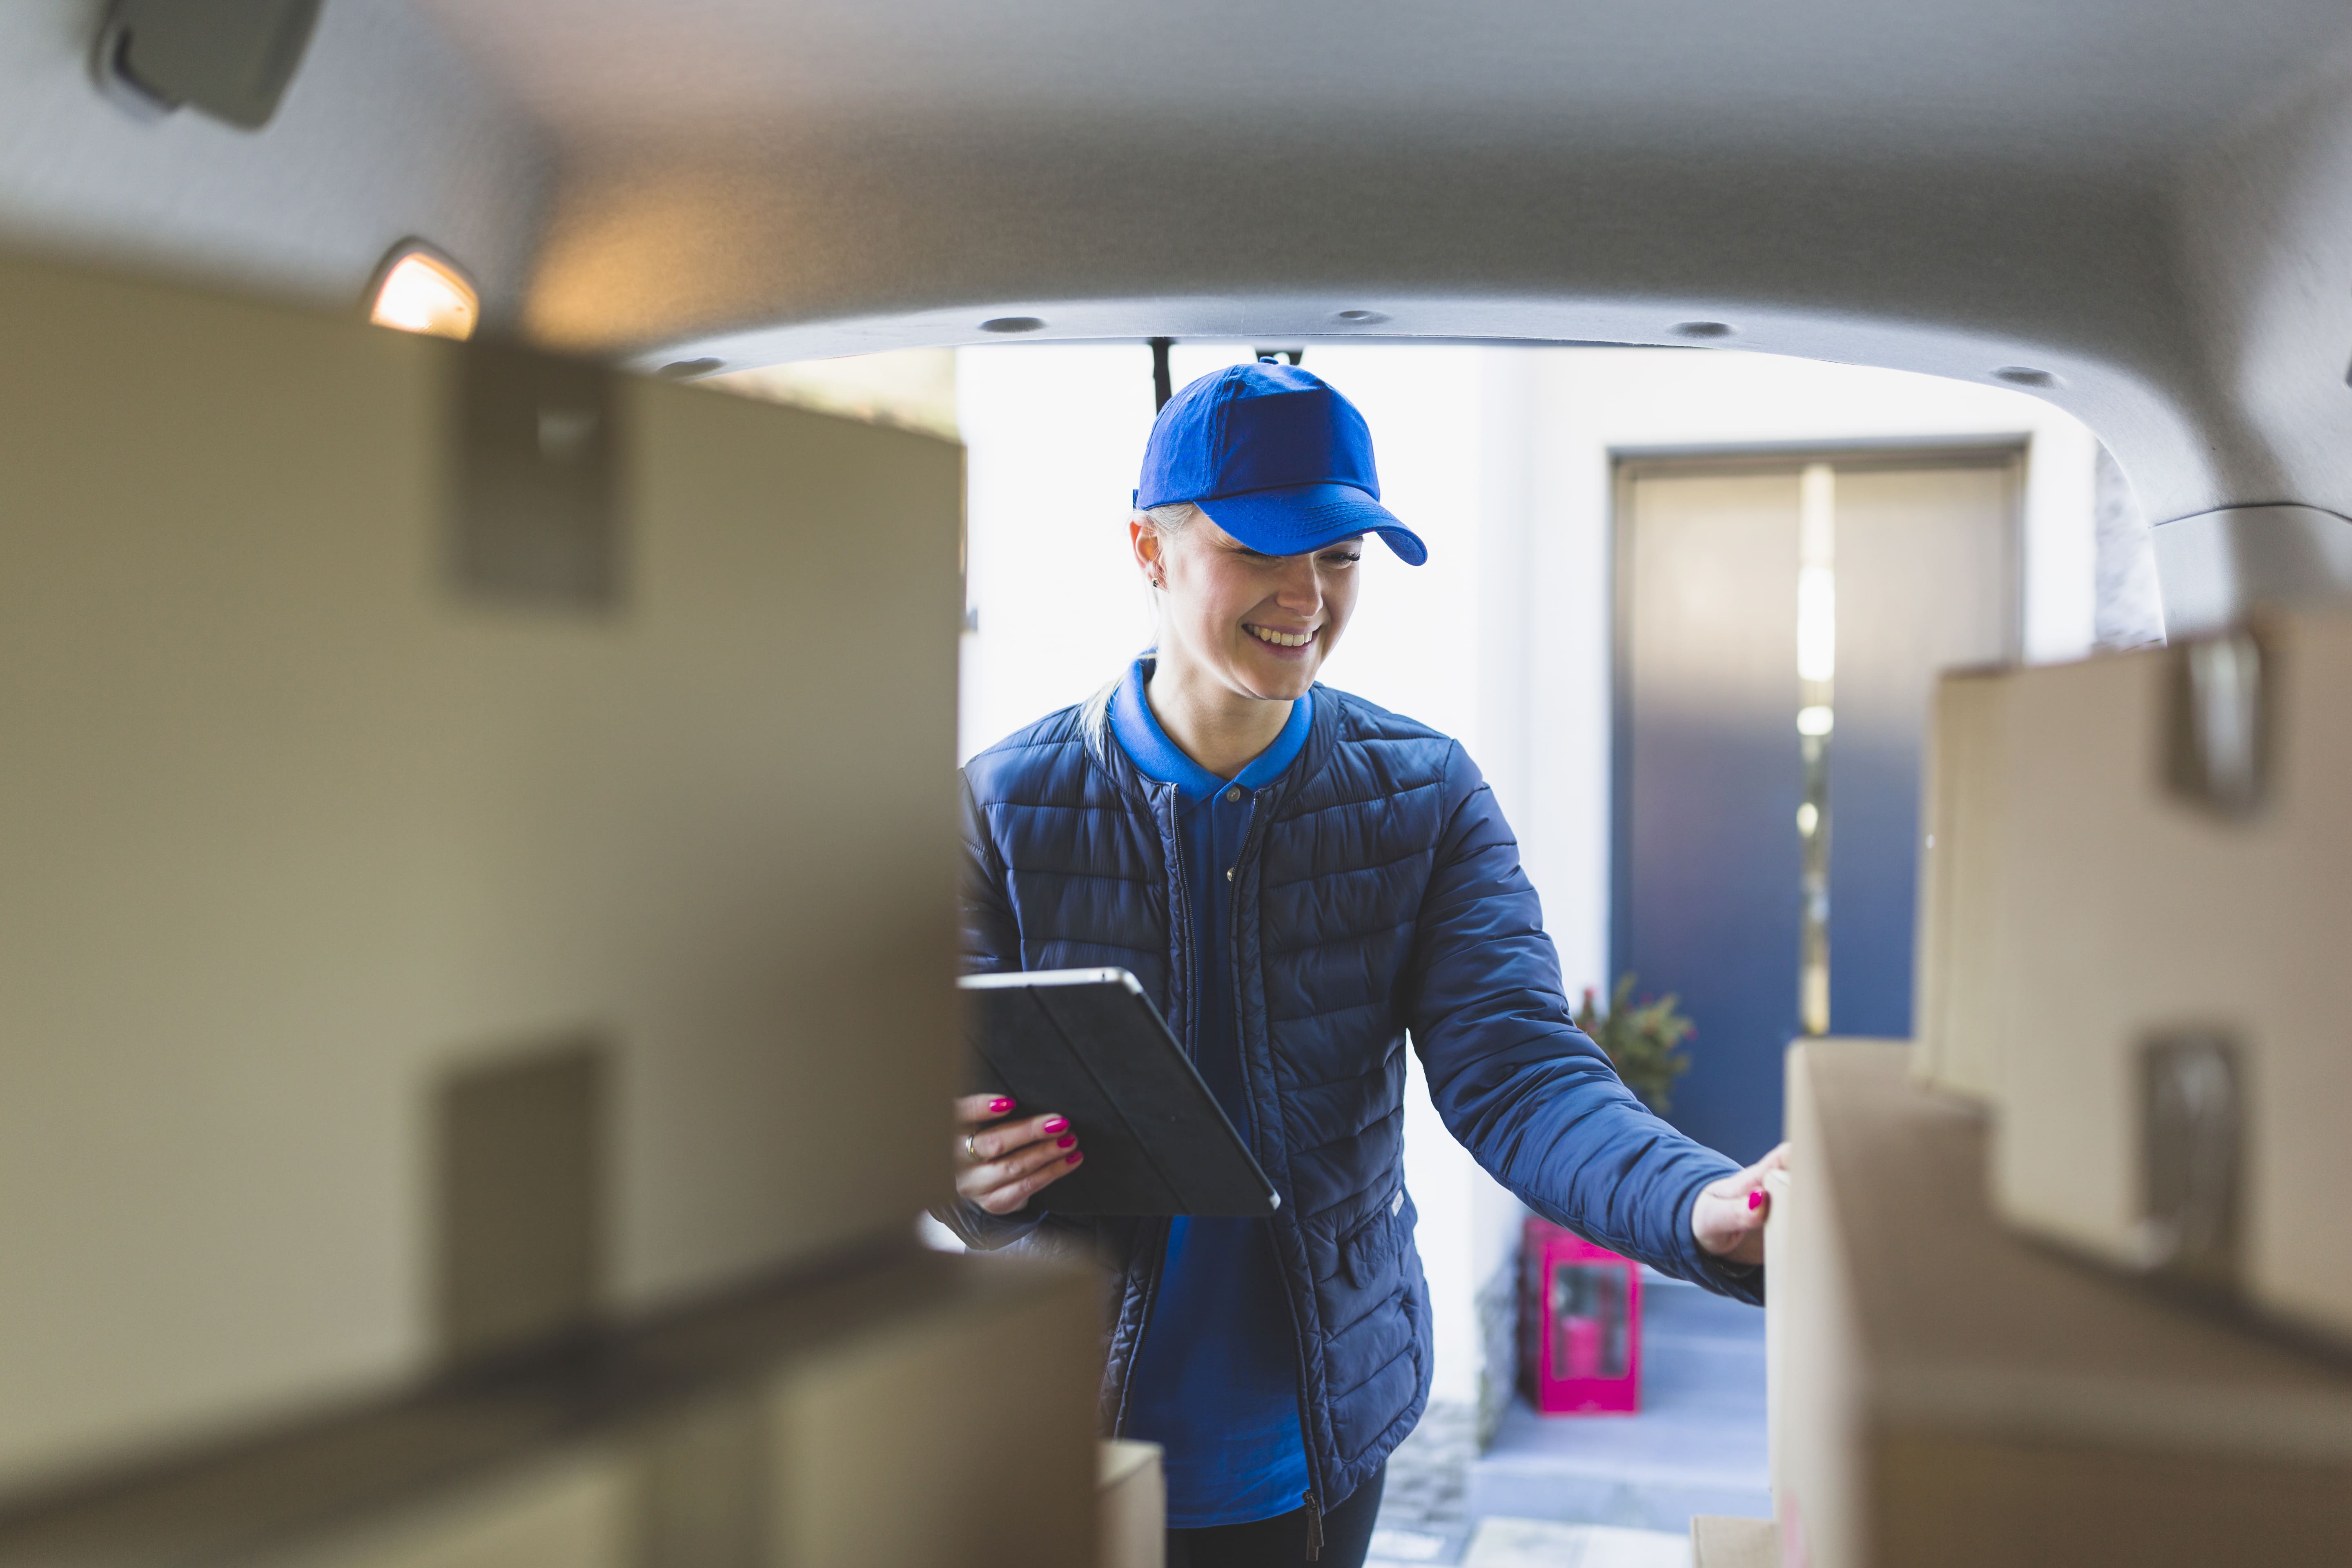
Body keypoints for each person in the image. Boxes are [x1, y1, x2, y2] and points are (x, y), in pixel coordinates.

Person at [943, 361, 1785, 1568]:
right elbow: (933, 1100)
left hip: (1314, 1442)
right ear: (1147, 550)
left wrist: (1695, 1205)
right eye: (1260, 550)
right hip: (1065, 1433)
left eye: (1340, 555)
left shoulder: (1423, 798)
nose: (1307, 597)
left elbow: (1521, 1074)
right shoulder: (1000, 809)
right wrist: (968, 1173)